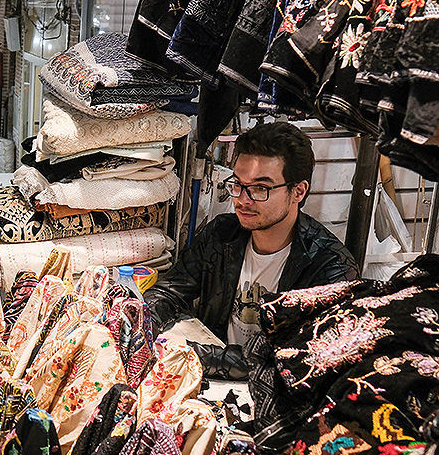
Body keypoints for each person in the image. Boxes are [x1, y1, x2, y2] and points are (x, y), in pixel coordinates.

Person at [148, 121, 359, 355]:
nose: (243, 199)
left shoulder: (330, 267)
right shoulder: (221, 234)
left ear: (298, 191)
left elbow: (295, 358)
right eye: (238, 184)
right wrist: (141, 326)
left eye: (260, 188)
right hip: (207, 369)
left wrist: (199, 355)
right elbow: (169, 292)